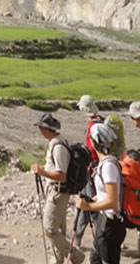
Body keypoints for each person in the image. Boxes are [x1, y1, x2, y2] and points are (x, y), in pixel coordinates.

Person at [30, 113, 85, 264]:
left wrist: (42, 172)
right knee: (58, 229)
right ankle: (58, 260)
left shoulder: (58, 147)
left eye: (41, 127)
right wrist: (43, 169)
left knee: (49, 229)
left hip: (58, 193)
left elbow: (61, 175)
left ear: (46, 129)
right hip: (57, 191)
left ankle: (76, 256)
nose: (40, 130)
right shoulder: (57, 142)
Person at [76, 123, 126, 264]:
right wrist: (94, 199)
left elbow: (112, 200)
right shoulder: (106, 163)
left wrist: (88, 207)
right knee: (95, 259)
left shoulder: (108, 166)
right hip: (105, 223)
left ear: (94, 141)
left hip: (111, 225)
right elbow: (108, 194)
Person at [74, 94, 105, 246]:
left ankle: (80, 236)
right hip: (102, 167)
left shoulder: (91, 127)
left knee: (88, 202)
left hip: (92, 168)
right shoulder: (103, 122)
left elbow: (90, 150)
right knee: (98, 200)